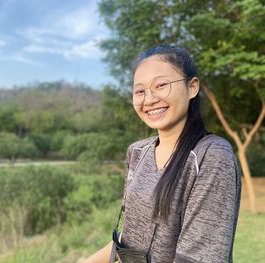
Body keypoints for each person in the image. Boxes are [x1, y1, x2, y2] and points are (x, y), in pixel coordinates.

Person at [83, 45, 242, 263]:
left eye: (161, 85)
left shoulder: (210, 155)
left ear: (192, 87)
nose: (149, 99)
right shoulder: (138, 152)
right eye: (140, 91)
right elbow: (130, 235)